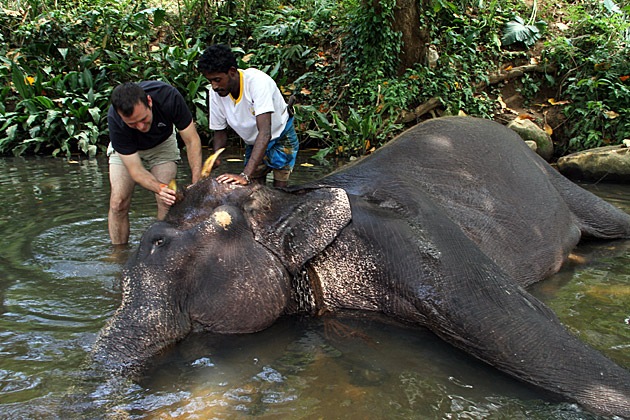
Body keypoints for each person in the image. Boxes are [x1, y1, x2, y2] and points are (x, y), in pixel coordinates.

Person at [106, 81, 202, 245]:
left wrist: (197, 183)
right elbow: (135, 170)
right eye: (132, 124)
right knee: (118, 202)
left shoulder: (168, 97)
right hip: (128, 152)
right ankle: (118, 254)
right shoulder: (115, 119)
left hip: (162, 144)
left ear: (149, 102)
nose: (141, 127)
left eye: (143, 119)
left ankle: (163, 251)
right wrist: (160, 188)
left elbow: (192, 141)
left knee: (166, 200)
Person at [198, 44, 298, 187]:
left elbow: (265, 133)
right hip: (253, 142)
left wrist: (244, 175)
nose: (214, 86)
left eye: (217, 80)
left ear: (232, 72)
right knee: (253, 190)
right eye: (210, 81)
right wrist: (216, 155)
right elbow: (219, 130)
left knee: (279, 191)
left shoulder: (257, 82)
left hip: (280, 135)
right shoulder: (215, 93)